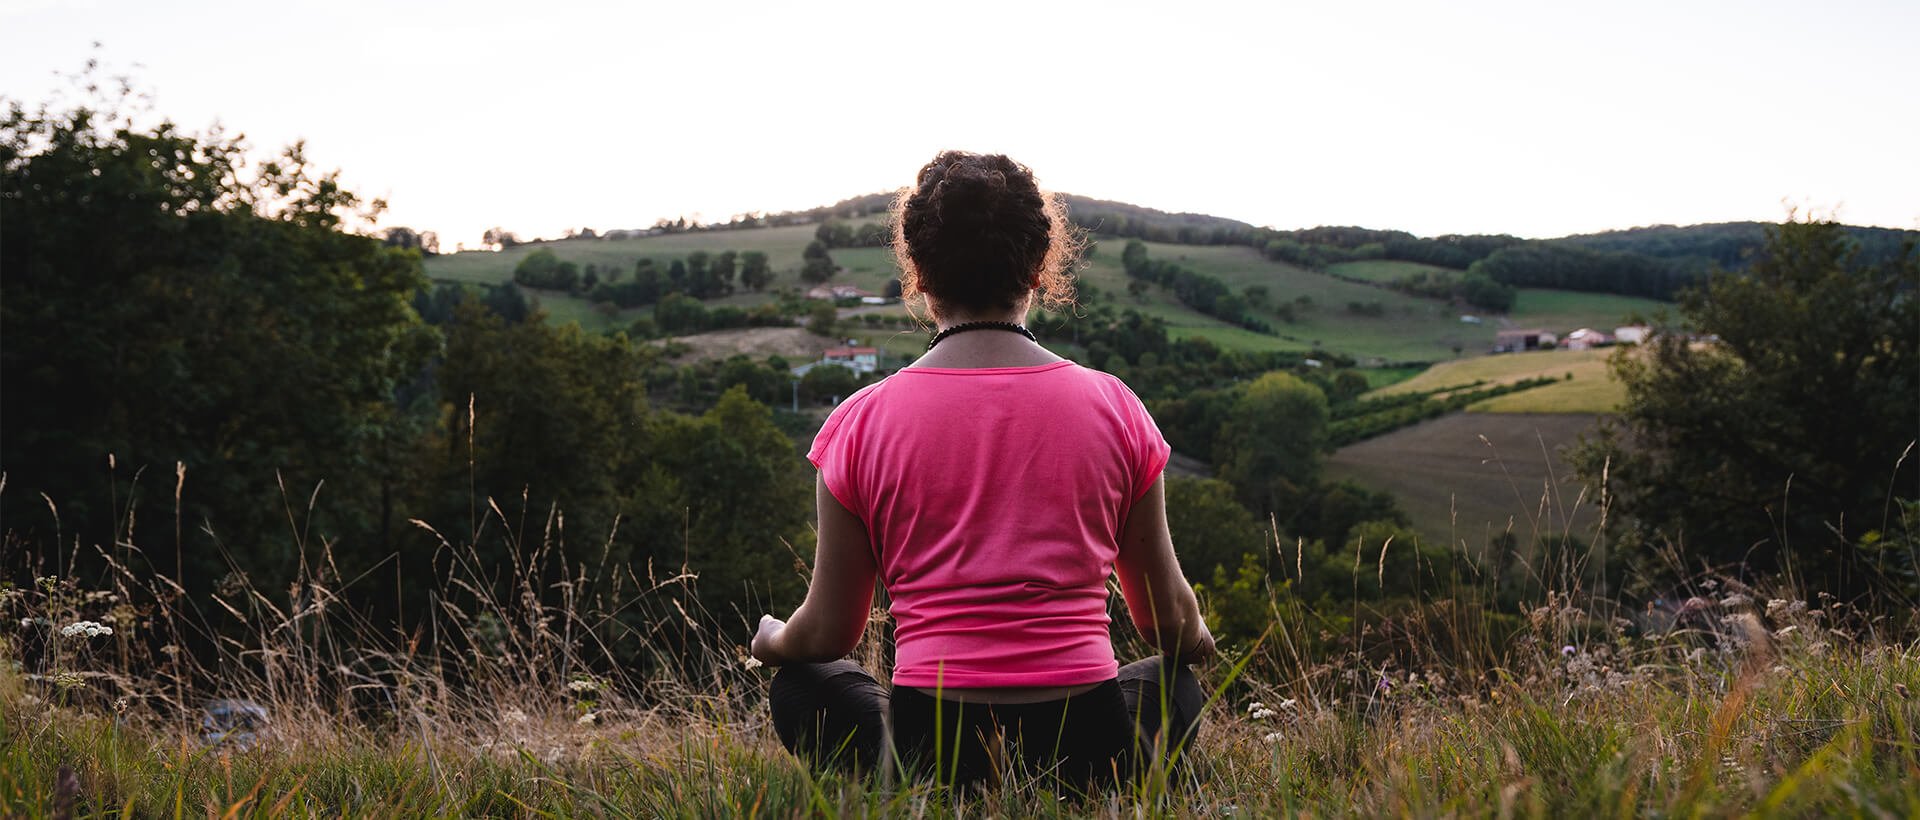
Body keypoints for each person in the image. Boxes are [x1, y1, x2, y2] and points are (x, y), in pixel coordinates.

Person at [750, 150, 1214, 789]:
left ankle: (923, 791)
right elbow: (1167, 623)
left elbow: (828, 633)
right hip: (1091, 750)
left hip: (933, 748)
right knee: (1172, 681)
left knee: (804, 683)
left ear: (917, 272)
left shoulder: (860, 422)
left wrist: (771, 640)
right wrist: (1194, 638)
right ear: (1038, 268)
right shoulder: (1116, 407)